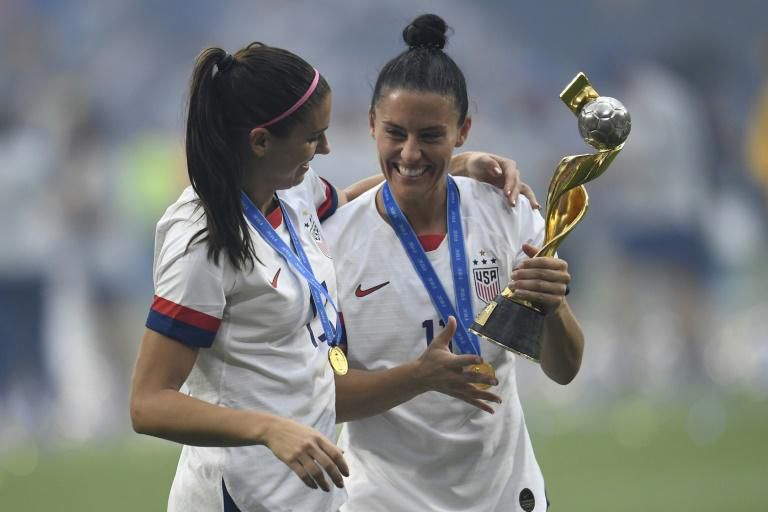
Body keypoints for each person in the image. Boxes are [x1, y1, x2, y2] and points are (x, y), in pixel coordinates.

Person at [129, 41, 534, 512]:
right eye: (311, 137)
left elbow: (348, 197)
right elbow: (148, 402)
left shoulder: (291, 192)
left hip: (309, 490)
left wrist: (455, 165)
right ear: (261, 141)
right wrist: (266, 427)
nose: (325, 147)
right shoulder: (202, 239)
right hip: (239, 492)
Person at [322, 14, 584, 512]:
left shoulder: (507, 214)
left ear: (464, 130)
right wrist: (419, 376)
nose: (410, 153)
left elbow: (564, 369)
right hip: (384, 499)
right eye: (394, 133)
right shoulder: (333, 245)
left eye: (431, 136)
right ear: (371, 125)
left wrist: (555, 310)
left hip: (507, 493)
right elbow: (325, 394)